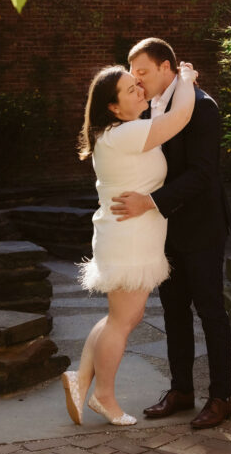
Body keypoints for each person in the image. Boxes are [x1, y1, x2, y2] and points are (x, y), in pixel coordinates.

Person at [61, 60, 198, 426]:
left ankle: (82, 379)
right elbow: (181, 115)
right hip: (128, 239)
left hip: (132, 237)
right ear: (113, 107)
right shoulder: (123, 135)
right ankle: (104, 397)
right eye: (129, 88)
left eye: (138, 84)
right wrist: (186, 78)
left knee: (122, 316)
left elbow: (157, 112)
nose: (139, 89)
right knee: (122, 321)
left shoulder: (127, 129)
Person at [111, 38, 231, 430]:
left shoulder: (203, 107)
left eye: (143, 72)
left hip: (201, 227)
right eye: (134, 75)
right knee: (174, 312)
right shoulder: (151, 107)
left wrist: (150, 202)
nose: (138, 81)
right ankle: (181, 390)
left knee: (211, 313)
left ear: (168, 67)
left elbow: (202, 174)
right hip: (165, 231)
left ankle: (221, 397)